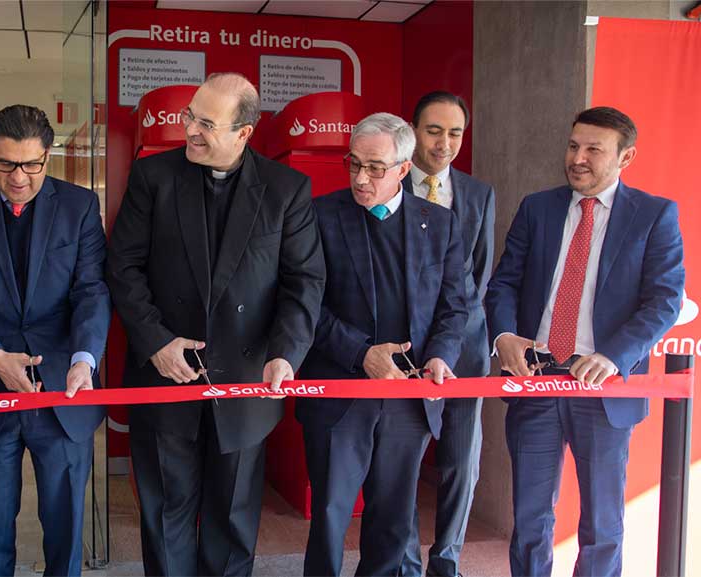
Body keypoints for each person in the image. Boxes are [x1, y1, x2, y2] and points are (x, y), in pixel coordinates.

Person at [106, 72, 325, 576]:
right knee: (165, 517)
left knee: (231, 522)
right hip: (164, 377)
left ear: (244, 132)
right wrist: (156, 341)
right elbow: (124, 267)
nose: (190, 131)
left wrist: (286, 353)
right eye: (190, 116)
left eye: (206, 123)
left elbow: (304, 281)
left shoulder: (286, 189)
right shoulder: (152, 176)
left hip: (246, 382)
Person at [485, 106, 685, 577]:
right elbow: (504, 284)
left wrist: (614, 356)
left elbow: (663, 300)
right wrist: (505, 336)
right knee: (531, 518)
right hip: (536, 380)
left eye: (594, 149)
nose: (578, 157)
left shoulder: (654, 215)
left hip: (605, 386)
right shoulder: (539, 207)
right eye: (574, 146)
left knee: (602, 524)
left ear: (625, 156)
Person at [0, 105, 109, 576]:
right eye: (7, 163)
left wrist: (84, 359)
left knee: (65, 527)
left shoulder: (78, 207)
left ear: (47, 156)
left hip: (64, 392)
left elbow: (91, 289)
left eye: (32, 164)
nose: (19, 177)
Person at [296, 112, 467, 577]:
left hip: (407, 400)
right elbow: (303, 306)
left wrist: (439, 356)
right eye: (354, 164)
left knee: (393, 520)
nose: (361, 177)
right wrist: (361, 353)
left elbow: (455, 307)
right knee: (330, 515)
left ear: (404, 169)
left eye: (375, 167)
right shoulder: (318, 216)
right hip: (339, 393)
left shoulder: (441, 224)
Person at [400, 91, 496, 577]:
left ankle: (447, 561)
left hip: (467, 353)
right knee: (405, 463)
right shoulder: (393, 186)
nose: (444, 143)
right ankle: (407, 562)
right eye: (433, 130)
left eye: (454, 132)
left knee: (461, 464)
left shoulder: (479, 195)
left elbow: (479, 278)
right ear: (413, 129)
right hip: (407, 353)